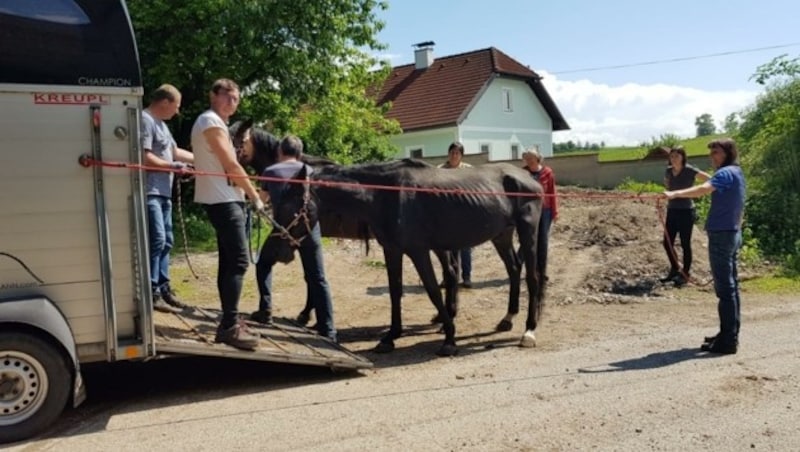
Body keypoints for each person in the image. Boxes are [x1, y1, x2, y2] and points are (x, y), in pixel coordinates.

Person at [191, 78, 263, 351]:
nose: (232, 103)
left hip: (227, 198)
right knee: (240, 262)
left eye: (236, 99)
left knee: (229, 261)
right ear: (214, 95)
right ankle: (230, 326)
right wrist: (255, 196)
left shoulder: (214, 123)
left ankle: (228, 322)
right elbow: (231, 165)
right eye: (228, 97)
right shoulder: (210, 121)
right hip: (223, 201)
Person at [249, 135, 337, 342]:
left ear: (280, 152)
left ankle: (266, 309)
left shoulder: (270, 172)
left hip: (283, 231)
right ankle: (329, 330)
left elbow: (261, 202)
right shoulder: (310, 172)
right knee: (318, 277)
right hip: (309, 230)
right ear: (299, 153)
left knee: (263, 264)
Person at [665, 138, 746, 355]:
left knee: (725, 289)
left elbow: (704, 189)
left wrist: (675, 194)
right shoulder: (737, 172)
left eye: (716, 152)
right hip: (732, 233)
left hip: (722, 236)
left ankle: (728, 341)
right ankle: (729, 334)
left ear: (728, 153)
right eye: (711, 153)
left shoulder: (725, 173)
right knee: (732, 287)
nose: (712, 157)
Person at [142, 84, 195, 314]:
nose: (177, 111)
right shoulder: (145, 120)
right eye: (177, 106)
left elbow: (175, 152)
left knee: (168, 241)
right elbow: (144, 157)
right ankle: (152, 291)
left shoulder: (162, 125)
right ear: (165, 103)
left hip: (164, 192)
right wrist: (173, 167)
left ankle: (164, 287)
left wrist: (206, 160)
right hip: (151, 191)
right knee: (157, 240)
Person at [660, 146, 711, 286]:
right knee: (667, 242)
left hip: (686, 211)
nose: (674, 159)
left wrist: (697, 191)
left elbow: (710, 180)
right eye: (671, 156)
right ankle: (675, 269)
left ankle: (685, 273)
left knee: (685, 243)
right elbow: (667, 185)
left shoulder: (689, 170)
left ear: (683, 157)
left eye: (676, 156)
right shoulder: (669, 171)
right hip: (672, 210)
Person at [438, 141, 473, 288]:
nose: (454, 155)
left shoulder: (469, 170)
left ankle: (466, 277)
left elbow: (474, 189)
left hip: (464, 214)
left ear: (461, 155)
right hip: (446, 214)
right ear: (448, 154)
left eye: (457, 153)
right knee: (447, 249)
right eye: (452, 152)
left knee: (465, 247)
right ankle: (449, 278)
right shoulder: (440, 169)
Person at [522, 147, 558, 281]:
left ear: (537, 158)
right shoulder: (523, 172)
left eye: (531, 158)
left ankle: (541, 271)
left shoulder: (547, 172)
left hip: (544, 210)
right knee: (528, 241)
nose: (529, 160)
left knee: (542, 241)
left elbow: (552, 192)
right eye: (527, 158)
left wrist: (555, 212)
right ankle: (529, 270)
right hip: (528, 211)